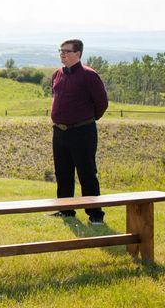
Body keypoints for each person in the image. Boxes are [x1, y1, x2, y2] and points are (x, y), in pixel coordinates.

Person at [50, 39, 108, 224]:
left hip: (82, 132)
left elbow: (102, 103)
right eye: (61, 51)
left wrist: (86, 119)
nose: (62, 54)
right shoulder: (57, 74)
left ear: (78, 54)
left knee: (87, 173)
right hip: (59, 132)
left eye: (67, 51)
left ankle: (95, 215)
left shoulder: (89, 76)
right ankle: (66, 211)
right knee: (63, 173)